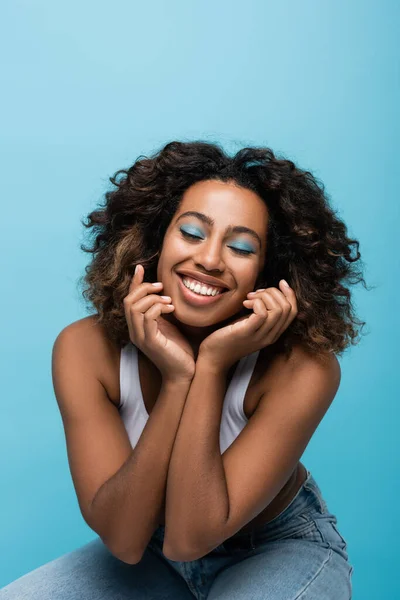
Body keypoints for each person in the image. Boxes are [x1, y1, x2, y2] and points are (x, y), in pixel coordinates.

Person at [1, 140, 367, 599]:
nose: (210, 260)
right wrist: (177, 379)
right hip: (149, 554)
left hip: (274, 546)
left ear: (268, 272)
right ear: (154, 240)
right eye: (192, 233)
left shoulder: (304, 370)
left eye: (240, 247)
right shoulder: (84, 348)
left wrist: (211, 366)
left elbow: (192, 537)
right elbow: (124, 540)